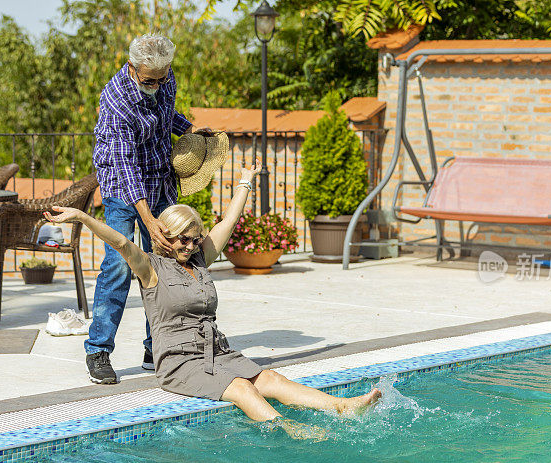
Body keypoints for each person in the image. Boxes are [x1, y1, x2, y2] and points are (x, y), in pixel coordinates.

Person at [45, 161, 381, 425]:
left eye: (195, 239)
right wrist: (82, 217)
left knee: (271, 378)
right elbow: (120, 242)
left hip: (218, 352)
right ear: (166, 235)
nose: (190, 246)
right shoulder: (150, 269)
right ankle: (291, 430)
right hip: (179, 363)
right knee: (241, 388)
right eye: (183, 239)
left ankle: (342, 407)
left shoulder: (199, 260)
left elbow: (228, 224)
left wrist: (245, 182)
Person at [88, 33, 210, 384]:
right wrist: (149, 219)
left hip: (159, 177)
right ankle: (98, 350)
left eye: (162, 78)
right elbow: (125, 165)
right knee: (120, 266)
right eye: (149, 80)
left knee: (169, 260)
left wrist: (189, 128)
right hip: (123, 186)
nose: (157, 85)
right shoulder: (116, 100)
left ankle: (155, 344)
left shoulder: (164, 77)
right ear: (132, 67)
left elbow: (164, 116)